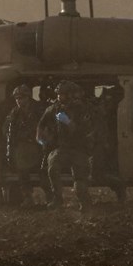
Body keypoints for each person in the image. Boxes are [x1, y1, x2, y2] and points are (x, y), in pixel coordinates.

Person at [37, 80, 95, 210]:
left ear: (69, 95)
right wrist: (41, 139)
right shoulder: (54, 108)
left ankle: (84, 202)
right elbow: (42, 123)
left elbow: (86, 129)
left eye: (62, 94)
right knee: (52, 168)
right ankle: (57, 199)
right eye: (58, 94)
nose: (59, 97)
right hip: (62, 148)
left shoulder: (81, 109)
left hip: (78, 148)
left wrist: (68, 122)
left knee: (80, 181)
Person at [3, 85, 50, 208]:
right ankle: (28, 197)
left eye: (21, 97)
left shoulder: (40, 109)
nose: (19, 100)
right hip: (23, 147)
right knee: (22, 168)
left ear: (28, 98)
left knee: (44, 171)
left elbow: (48, 125)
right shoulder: (14, 113)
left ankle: (51, 197)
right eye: (17, 98)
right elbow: (7, 129)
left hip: (40, 145)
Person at [92, 86, 128, 202]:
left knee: (99, 173)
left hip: (103, 144)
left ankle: (119, 188)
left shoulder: (107, 113)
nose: (105, 103)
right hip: (100, 144)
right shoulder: (100, 112)